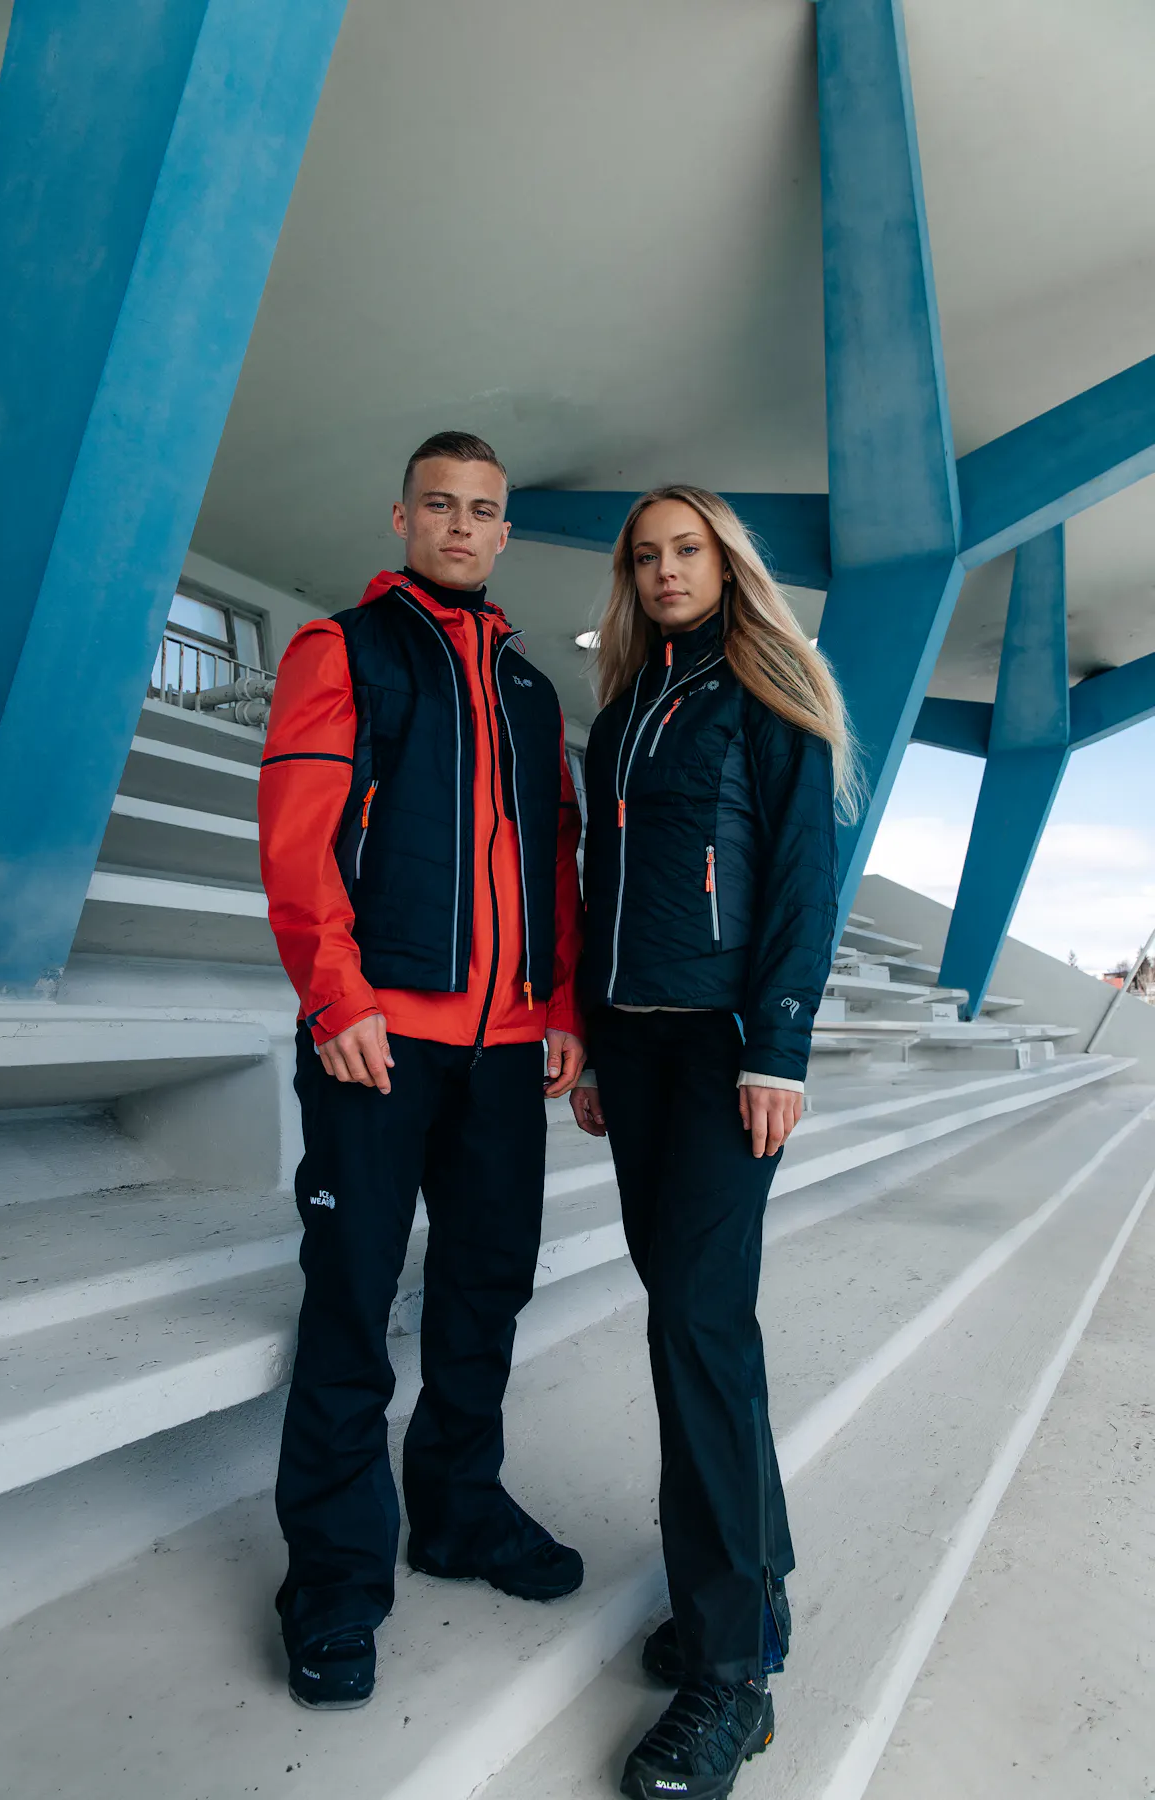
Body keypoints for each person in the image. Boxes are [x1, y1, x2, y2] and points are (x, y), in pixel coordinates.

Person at [259, 430, 587, 1711]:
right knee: (350, 1303)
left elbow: (551, 867)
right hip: (376, 1041)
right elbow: (299, 840)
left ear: (505, 534)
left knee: (483, 1293)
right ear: (402, 517)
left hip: (507, 1053)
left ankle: (456, 1510)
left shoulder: (529, 692)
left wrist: (561, 1005)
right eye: (440, 505)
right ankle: (336, 1581)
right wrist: (336, 996)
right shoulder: (341, 650)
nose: (462, 525)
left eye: (484, 511)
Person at [570, 486, 854, 1800]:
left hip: (724, 1044)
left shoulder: (766, 690)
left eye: (688, 549)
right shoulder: (627, 707)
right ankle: (758, 1587)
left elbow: (804, 875)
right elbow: (597, 888)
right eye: (648, 555)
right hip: (634, 1050)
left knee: (692, 1326)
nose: (668, 569)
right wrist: (585, 1035)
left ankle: (732, 1681)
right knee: (699, 1326)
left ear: (726, 563)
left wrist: (779, 1045)